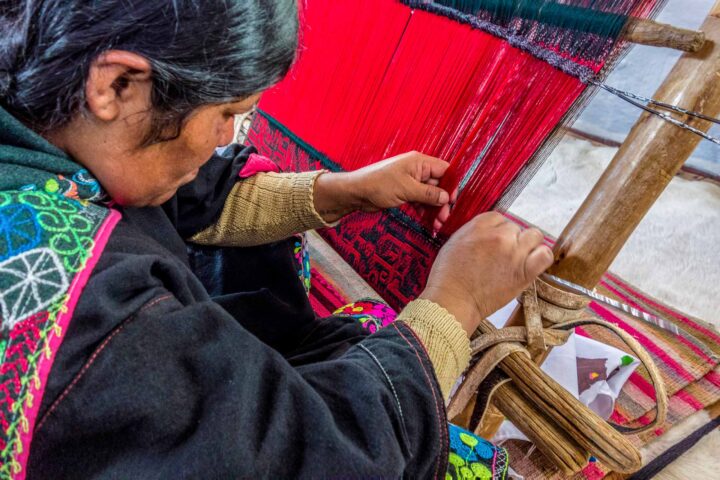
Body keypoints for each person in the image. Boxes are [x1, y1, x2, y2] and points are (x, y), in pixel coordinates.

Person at [0, 1, 553, 478]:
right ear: (116, 85)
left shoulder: (43, 132)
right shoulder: (73, 307)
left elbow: (190, 202)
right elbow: (314, 458)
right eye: (227, 114)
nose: (225, 139)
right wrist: (457, 302)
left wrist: (347, 191)